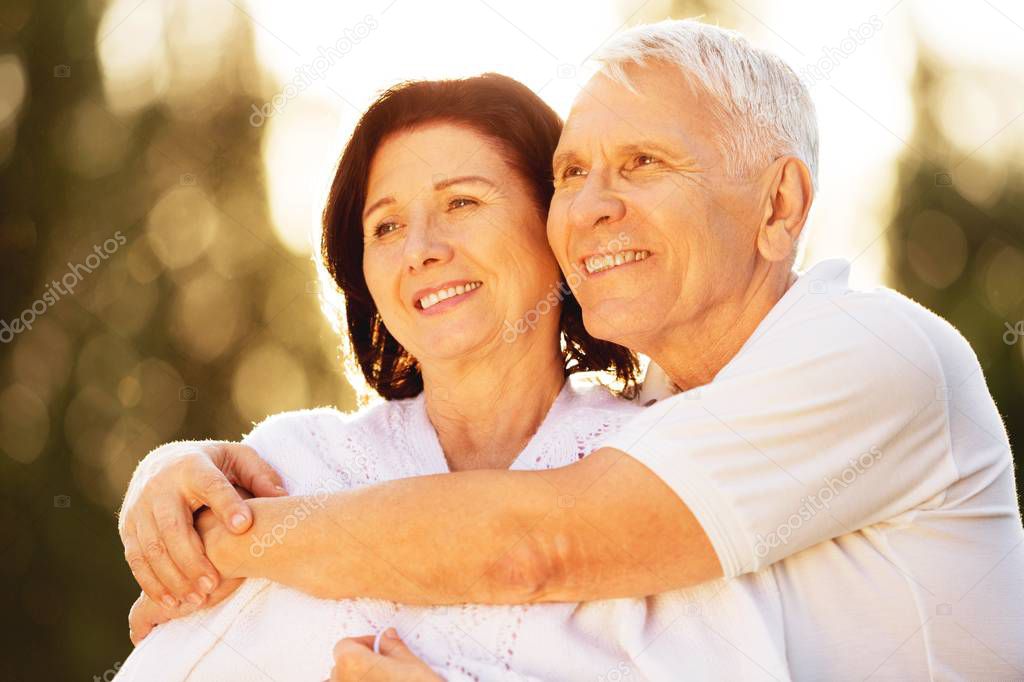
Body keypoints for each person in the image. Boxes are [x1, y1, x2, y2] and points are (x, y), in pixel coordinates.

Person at [122, 20, 1024, 680]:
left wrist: (216, 541)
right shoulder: (676, 419)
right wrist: (174, 476)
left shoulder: (868, 357)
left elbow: (533, 546)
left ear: (779, 208)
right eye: (571, 173)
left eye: (642, 165)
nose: (591, 208)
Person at [116, 73, 790, 681]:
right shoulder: (289, 468)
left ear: (557, 224)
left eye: (462, 203)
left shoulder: (655, 471)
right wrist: (163, 483)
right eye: (385, 227)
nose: (421, 250)